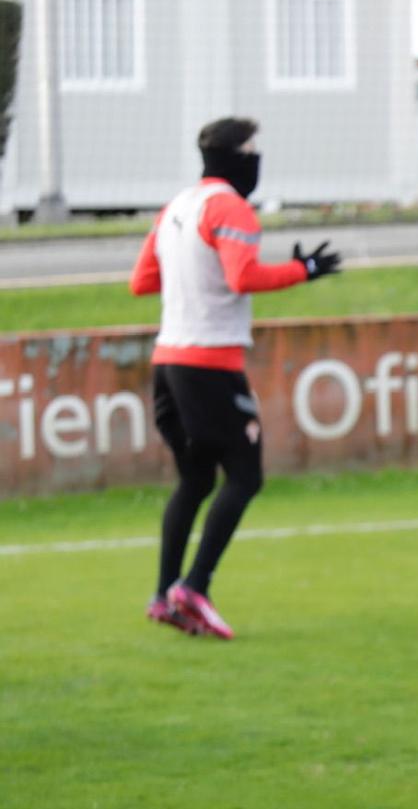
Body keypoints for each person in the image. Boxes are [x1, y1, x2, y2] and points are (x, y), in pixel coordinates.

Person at [129, 116, 342, 640]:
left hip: (167, 363)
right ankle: (194, 588)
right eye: (252, 149)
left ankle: (164, 596)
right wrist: (303, 271)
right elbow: (241, 275)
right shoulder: (232, 208)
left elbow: (142, 282)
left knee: (197, 479)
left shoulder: (176, 207)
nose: (257, 158)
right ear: (235, 156)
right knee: (245, 476)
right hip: (208, 366)